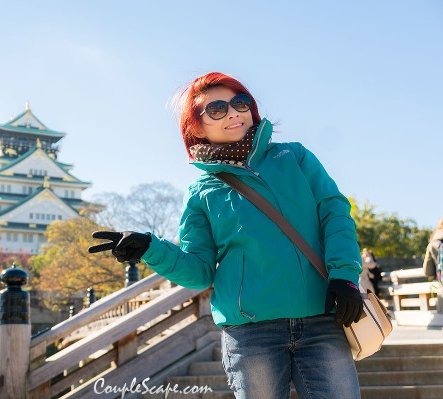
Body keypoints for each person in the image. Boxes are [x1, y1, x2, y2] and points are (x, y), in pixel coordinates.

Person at [89, 72, 363, 399]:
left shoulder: (295, 157)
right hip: (251, 334)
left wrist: (345, 276)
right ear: (197, 126)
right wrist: (151, 248)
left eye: (240, 103)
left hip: (322, 319)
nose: (233, 113)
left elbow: (335, 213)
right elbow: (199, 271)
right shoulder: (201, 192)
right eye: (217, 109)